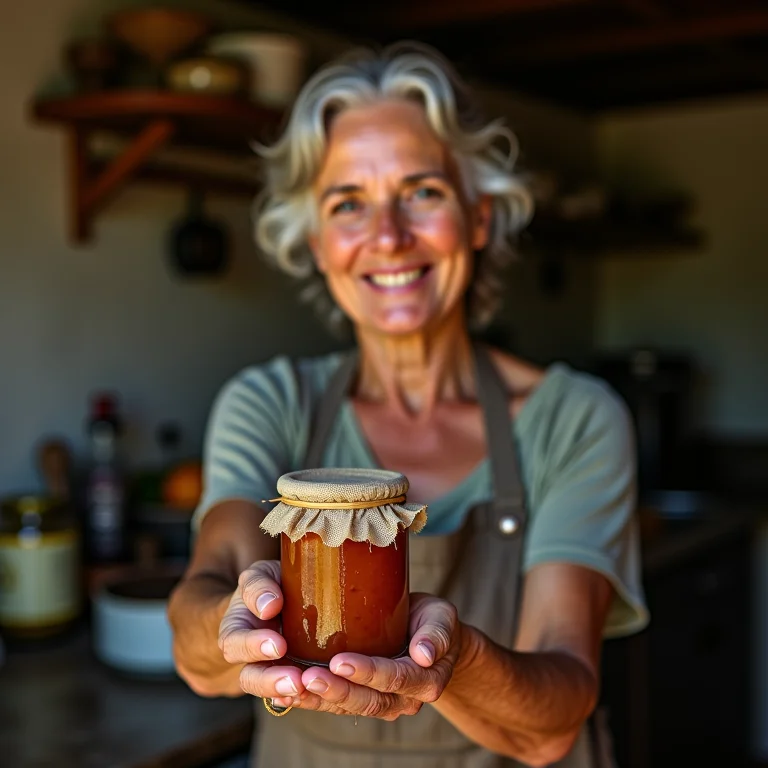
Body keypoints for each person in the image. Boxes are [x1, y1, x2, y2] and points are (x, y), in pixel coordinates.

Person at [168, 42, 648, 768]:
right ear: (318, 243)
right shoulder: (271, 405)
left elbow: (549, 727)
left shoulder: (575, 419)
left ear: (478, 217)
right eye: (348, 204)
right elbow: (197, 644)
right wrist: (238, 627)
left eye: (422, 192)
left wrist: (455, 662)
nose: (388, 237)